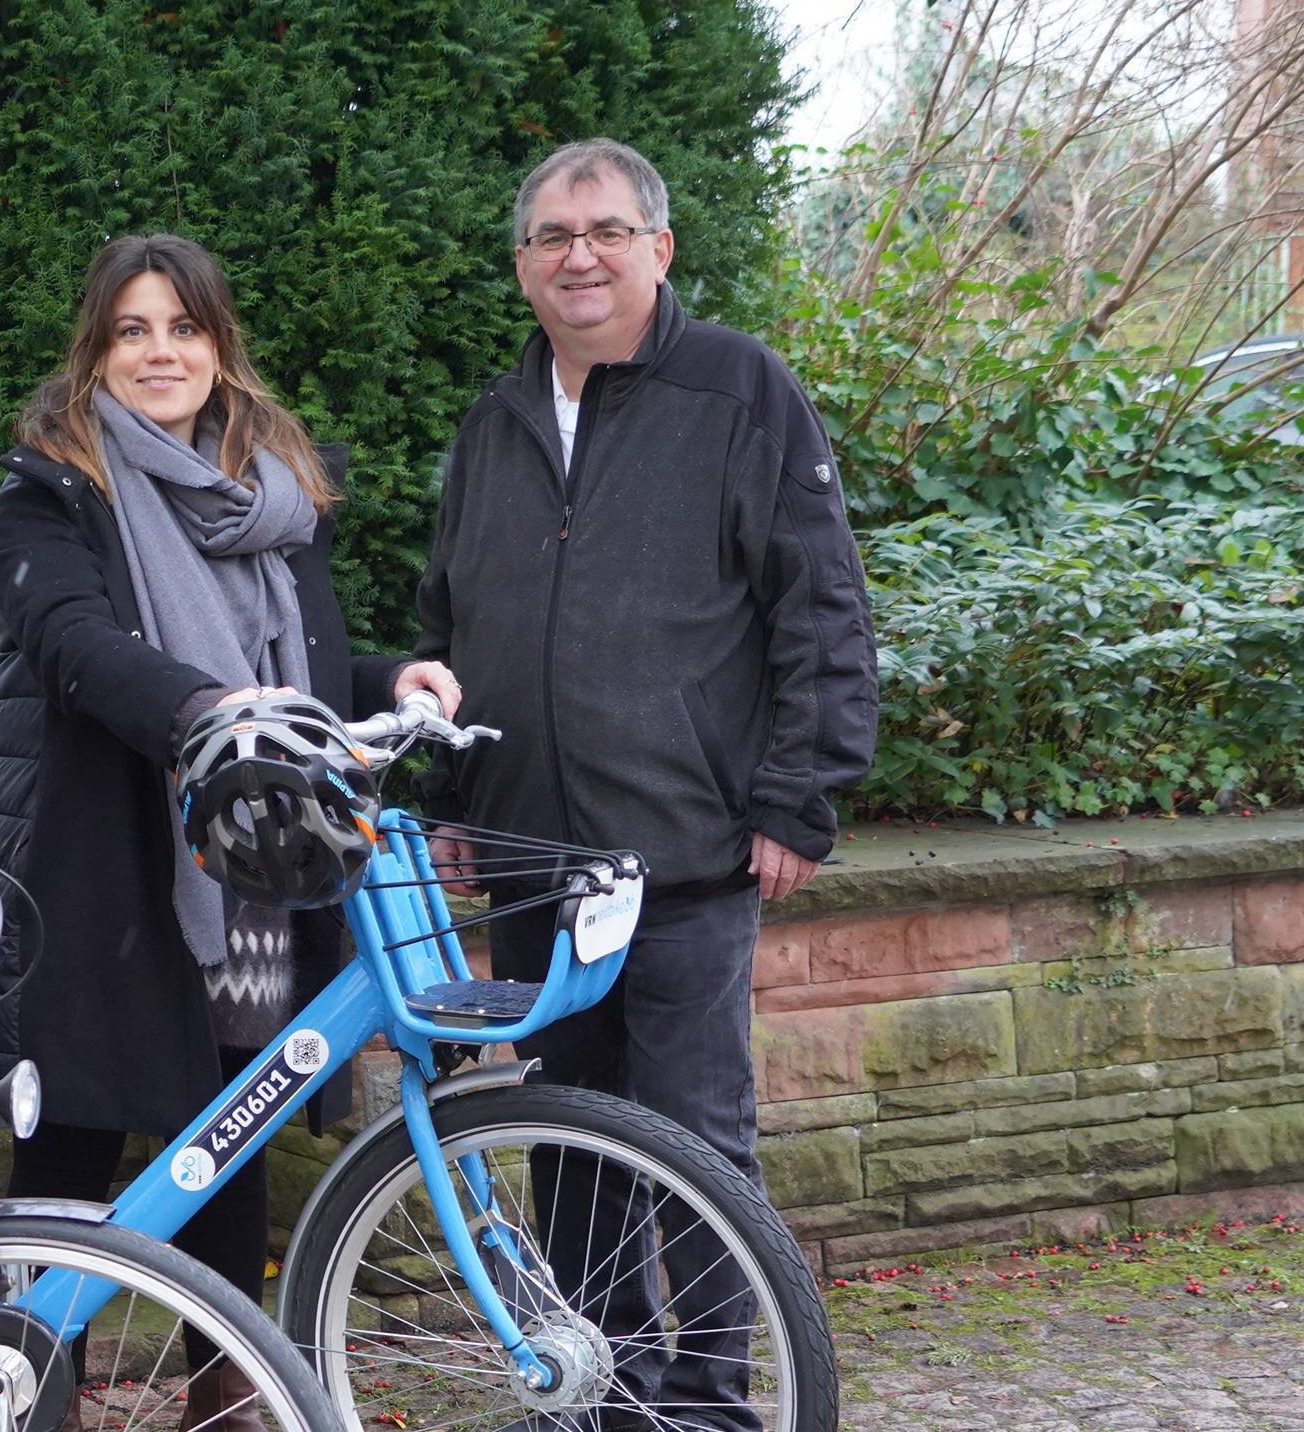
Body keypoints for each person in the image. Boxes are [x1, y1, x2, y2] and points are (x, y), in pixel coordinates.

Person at [414, 138, 878, 1426]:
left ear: (658, 248)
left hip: (681, 856)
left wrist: (799, 794)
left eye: (606, 231)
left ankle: (717, 1400)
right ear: (520, 266)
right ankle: (604, 1397)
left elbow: (819, 604)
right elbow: (445, 623)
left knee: (693, 1153)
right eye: (553, 237)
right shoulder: (492, 422)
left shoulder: (738, 390)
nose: (579, 256)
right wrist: (457, 809)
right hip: (531, 866)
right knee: (568, 1152)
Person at [0, 233, 459, 1430]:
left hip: (253, 864)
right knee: (70, 1164)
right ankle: (28, 1405)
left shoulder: (274, 494)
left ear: (218, 346)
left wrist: (398, 677)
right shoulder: (50, 487)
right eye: (131, 329)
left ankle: (223, 1405)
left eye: (182, 328)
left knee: (228, 1135)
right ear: (96, 347)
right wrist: (204, 713)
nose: (158, 352)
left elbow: (302, 661)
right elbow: (73, 644)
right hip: (99, 864)